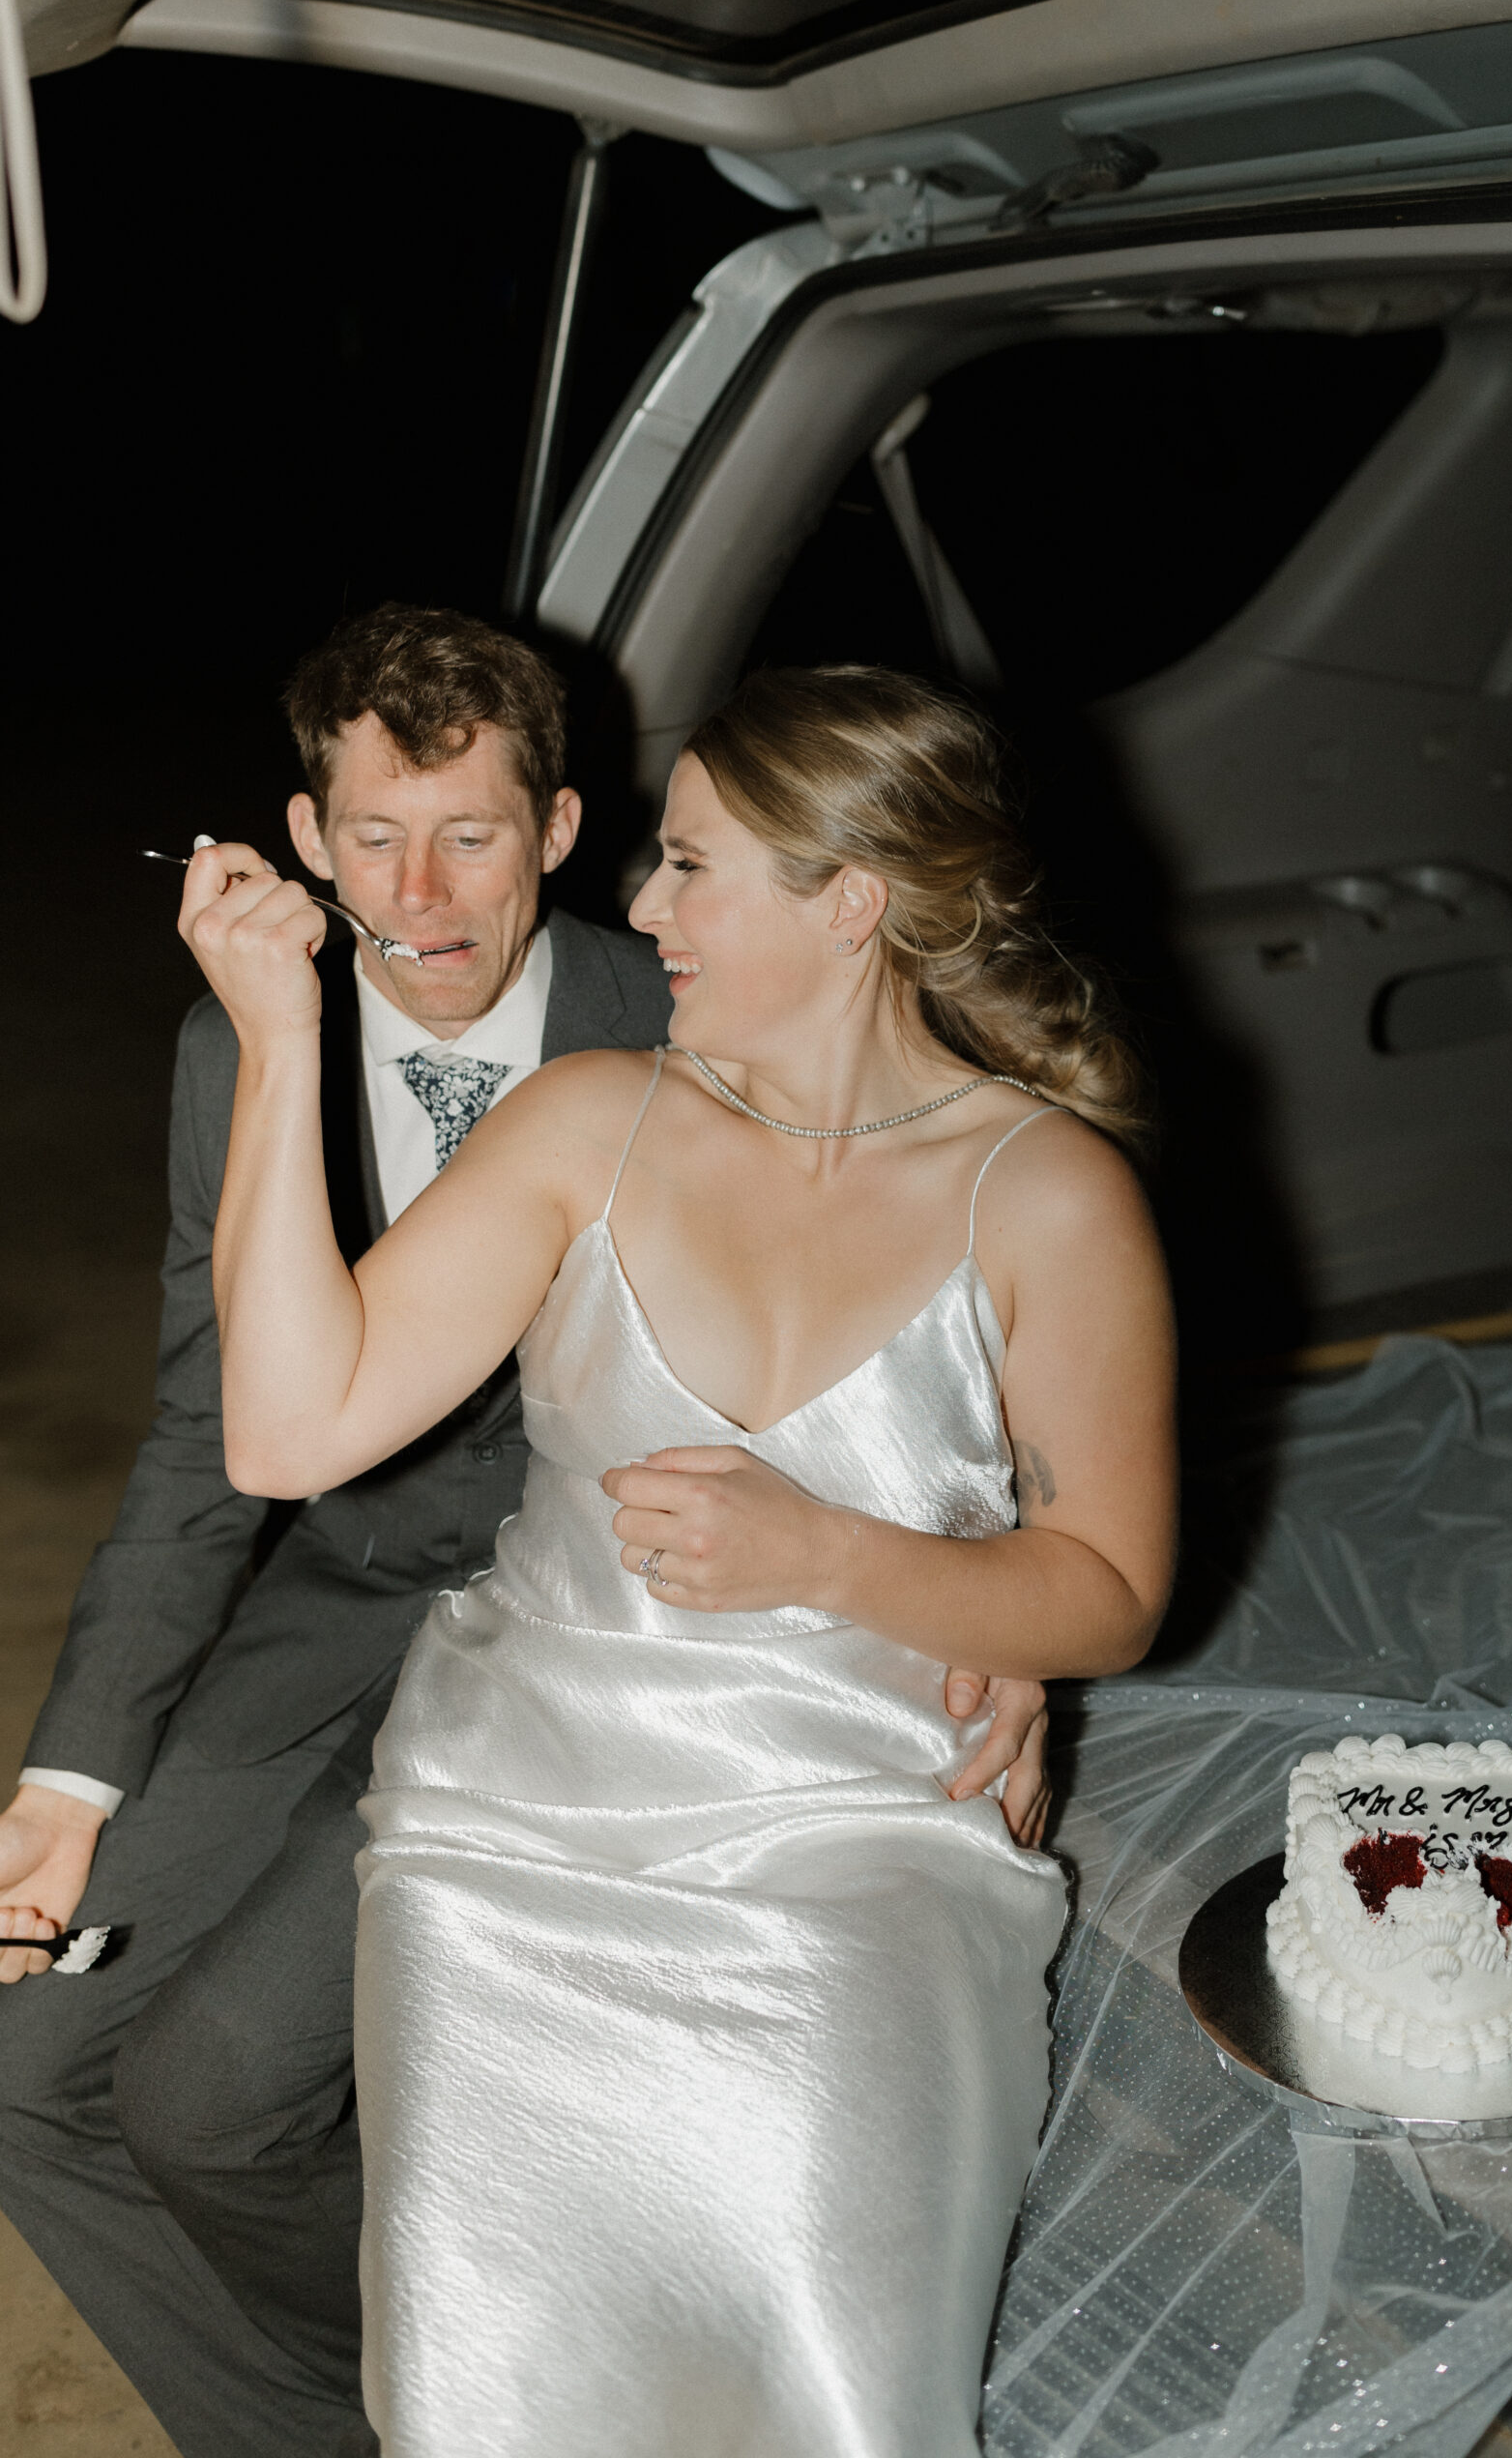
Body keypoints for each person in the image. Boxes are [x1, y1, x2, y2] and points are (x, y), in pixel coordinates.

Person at [0, 612, 1056, 2458]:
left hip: (625, 1624)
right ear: (302, 840)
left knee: (200, 2096)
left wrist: (1015, 1612)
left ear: (563, 829)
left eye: (471, 835)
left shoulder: (702, 998)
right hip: (345, 1589)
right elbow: (208, 1426)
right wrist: (68, 1783)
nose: (420, 894)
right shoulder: (240, 1045)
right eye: (374, 836)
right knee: (18, 2068)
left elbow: (953, 1283)